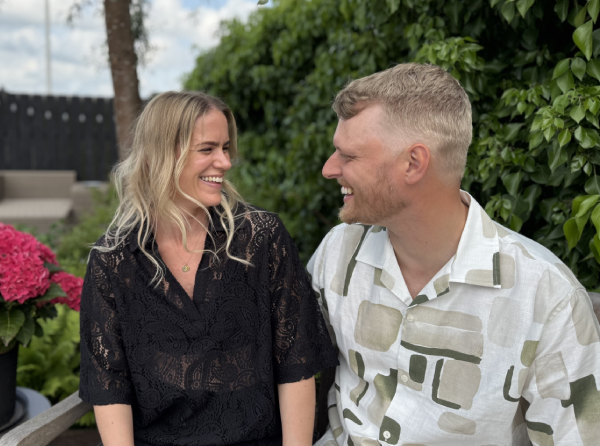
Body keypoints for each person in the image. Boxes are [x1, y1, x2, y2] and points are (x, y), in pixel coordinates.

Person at [308, 63, 600, 446]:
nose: (329, 169)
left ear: (414, 163)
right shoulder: (339, 251)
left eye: (349, 156)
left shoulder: (546, 297)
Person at [78, 91, 338, 446]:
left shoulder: (261, 239)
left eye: (226, 148)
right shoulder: (114, 260)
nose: (225, 162)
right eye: (207, 149)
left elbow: (296, 364)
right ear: (161, 155)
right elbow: (110, 385)